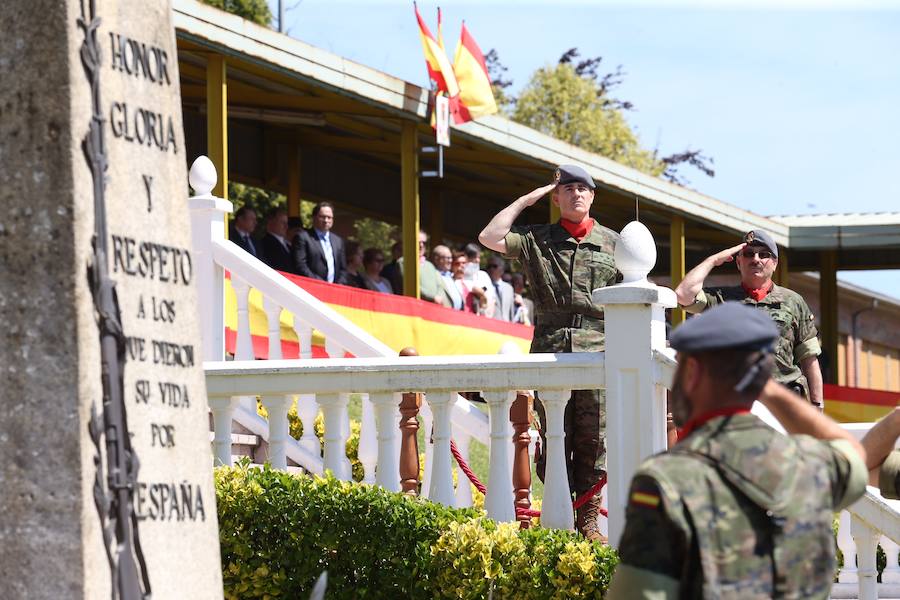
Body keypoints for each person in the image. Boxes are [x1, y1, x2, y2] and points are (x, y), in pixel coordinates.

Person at [607, 302, 867, 599]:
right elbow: (853, 453)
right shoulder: (809, 463)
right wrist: (768, 389)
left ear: (691, 370)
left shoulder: (666, 481)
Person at [479, 164, 619, 541]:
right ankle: (560, 515)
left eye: (583, 189)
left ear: (592, 197)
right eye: (568, 189)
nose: (576, 194)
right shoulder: (536, 238)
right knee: (555, 436)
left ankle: (587, 523)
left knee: (594, 440)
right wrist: (533, 195)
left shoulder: (615, 244)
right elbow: (490, 236)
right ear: (557, 197)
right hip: (551, 350)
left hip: (597, 352)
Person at [675, 229, 824, 408]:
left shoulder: (794, 302)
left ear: (775, 263)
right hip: (736, 402)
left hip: (785, 401)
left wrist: (817, 406)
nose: (756, 259)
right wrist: (713, 260)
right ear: (739, 262)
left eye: (764, 255)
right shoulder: (721, 299)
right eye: (748, 254)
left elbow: (809, 360)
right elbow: (683, 294)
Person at [292, 201, 346, 284]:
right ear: (314, 217)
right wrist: (319, 283)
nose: (326, 220)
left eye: (329, 217)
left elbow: (343, 269)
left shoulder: (338, 241)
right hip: (311, 286)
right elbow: (300, 265)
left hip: (334, 290)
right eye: (322, 217)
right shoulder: (303, 237)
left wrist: (338, 285)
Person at [462, 243, 496, 317]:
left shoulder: (483, 276)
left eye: (479, 257)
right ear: (465, 257)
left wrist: (482, 295)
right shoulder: (458, 275)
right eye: (474, 257)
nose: (477, 260)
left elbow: (491, 300)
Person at [259, 207, 293, 272]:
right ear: (271, 222)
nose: (286, 226)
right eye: (282, 223)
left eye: (286, 223)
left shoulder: (288, 244)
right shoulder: (266, 243)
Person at [432, 244, 463, 309]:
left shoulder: (450, 275)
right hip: (442, 314)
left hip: (458, 314)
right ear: (437, 259)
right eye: (447, 258)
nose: (450, 260)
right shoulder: (433, 275)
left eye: (451, 258)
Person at [486, 255, 515, 322]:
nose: (491, 269)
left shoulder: (509, 288)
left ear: (502, 269)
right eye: (489, 267)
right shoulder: (484, 286)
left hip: (506, 327)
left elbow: (511, 313)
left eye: (494, 266)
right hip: (490, 326)